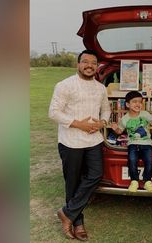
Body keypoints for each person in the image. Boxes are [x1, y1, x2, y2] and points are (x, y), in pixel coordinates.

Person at [48, 49, 111, 240]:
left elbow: (106, 110)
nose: (89, 65)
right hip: (70, 141)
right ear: (78, 64)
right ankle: (78, 222)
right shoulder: (65, 85)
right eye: (85, 62)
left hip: (94, 140)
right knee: (73, 183)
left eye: (93, 62)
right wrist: (79, 124)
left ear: (97, 66)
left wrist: (101, 123)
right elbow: (53, 112)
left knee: (95, 175)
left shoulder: (100, 88)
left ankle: (66, 213)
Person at [110, 91, 152, 192]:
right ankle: (134, 181)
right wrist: (115, 128)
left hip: (147, 143)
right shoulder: (124, 119)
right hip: (132, 144)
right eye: (134, 102)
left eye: (140, 102)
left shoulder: (145, 114)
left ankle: (147, 181)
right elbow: (120, 131)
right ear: (127, 104)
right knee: (131, 161)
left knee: (149, 161)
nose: (138, 104)